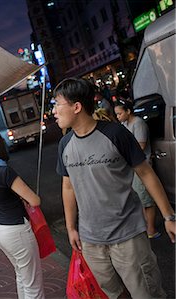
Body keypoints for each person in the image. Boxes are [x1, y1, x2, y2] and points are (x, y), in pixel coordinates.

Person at [52, 77, 175, 298]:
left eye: (57, 104)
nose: (53, 111)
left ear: (77, 107)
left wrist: (168, 217)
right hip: (91, 241)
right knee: (113, 294)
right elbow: (68, 187)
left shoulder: (115, 134)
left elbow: (146, 173)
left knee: (146, 292)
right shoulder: (65, 144)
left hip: (129, 236)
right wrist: (71, 228)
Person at [0, 125, 44, 299]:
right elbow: (35, 200)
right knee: (33, 283)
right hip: (16, 230)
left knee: (21, 275)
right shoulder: (4, 172)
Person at [114, 99, 160, 238]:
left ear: (128, 111)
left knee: (145, 199)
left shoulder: (138, 124)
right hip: (131, 167)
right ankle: (147, 228)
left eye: (120, 113)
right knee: (139, 199)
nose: (118, 117)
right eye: (116, 114)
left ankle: (151, 229)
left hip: (141, 167)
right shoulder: (125, 124)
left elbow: (141, 146)